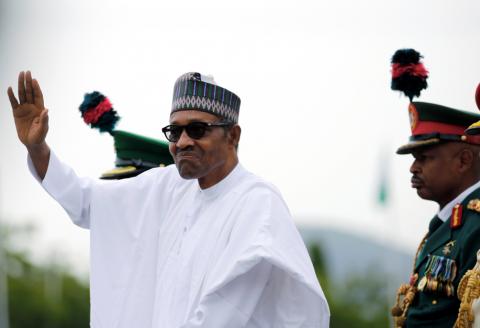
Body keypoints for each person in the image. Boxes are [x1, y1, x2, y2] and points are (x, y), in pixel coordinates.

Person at [7, 71, 330, 328]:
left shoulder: (257, 205)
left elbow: (224, 313)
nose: (183, 142)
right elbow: (86, 202)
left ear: (233, 136)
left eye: (197, 130)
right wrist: (38, 149)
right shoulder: (167, 188)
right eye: (174, 132)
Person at [390, 49, 480, 327]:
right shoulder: (446, 225)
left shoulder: (475, 225)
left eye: (424, 158)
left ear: (463, 161)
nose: (413, 168)